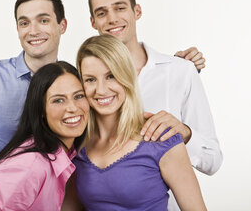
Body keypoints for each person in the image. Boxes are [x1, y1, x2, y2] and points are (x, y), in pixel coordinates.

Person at [0, 0, 206, 210]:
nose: (100, 89)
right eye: (90, 80)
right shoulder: (72, 150)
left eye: (43, 20)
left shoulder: (157, 141)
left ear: (61, 25)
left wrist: (177, 67)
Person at [85, 0, 222, 210]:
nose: (112, 19)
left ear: (136, 11)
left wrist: (184, 133)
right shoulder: (89, 82)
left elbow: (213, 160)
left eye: (119, 8)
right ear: (93, 22)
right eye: (102, 13)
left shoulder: (180, 71)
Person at [63, 34, 206, 211]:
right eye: (90, 80)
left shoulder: (160, 138)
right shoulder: (77, 147)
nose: (101, 90)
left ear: (127, 77)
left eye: (111, 76)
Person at [0, 61, 89, 210]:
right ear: (41, 111)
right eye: (58, 100)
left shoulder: (65, 153)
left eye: (79, 96)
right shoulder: (31, 165)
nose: (72, 108)